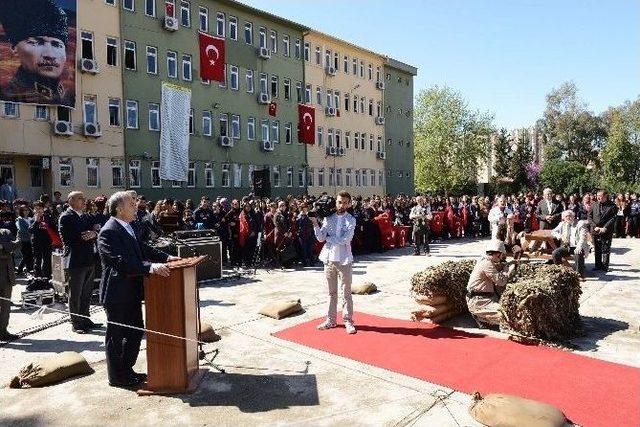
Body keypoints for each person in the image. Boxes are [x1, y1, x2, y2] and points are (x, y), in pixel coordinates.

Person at [97, 191, 179, 388]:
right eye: (131, 204)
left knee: (134, 332)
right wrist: (149, 267)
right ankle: (117, 377)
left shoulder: (128, 226)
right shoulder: (108, 231)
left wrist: (166, 258)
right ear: (119, 209)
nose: (136, 206)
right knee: (117, 336)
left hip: (131, 290)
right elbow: (119, 262)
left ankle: (127, 370)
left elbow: (141, 249)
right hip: (117, 293)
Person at [0, 0, 73, 106]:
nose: (49, 55)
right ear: (14, 48)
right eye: (37, 43)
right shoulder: (9, 96)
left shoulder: (67, 97)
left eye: (56, 45)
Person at [312, 192, 357, 334]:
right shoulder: (328, 218)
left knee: (346, 292)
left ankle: (348, 321)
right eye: (339, 202)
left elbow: (346, 239)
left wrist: (329, 238)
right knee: (332, 293)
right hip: (329, 259)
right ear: (335, 202)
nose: (341, 205)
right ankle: (331, 320)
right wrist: (315, 224)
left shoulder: (351, 220)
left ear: (349, 203)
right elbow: (320, 238)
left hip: (344, 259)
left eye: (344, 202)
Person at [58, 191, 101, 333]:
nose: (84, 201)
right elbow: (69, 239)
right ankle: (76, 322)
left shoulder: (85, 216)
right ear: (71, 201)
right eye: (80, 199)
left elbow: (95, 231)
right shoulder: (66, 217)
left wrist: (93, 234)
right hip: (75, 261)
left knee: (87, 293)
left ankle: (85, 318)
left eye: (84, 198)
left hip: (88, 259)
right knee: (75, 293)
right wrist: (88, 235)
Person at [466, 240, 517, 328]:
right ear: (498, 254)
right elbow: (501, 282)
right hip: (480, 301)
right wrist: (508, 271)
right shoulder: (487, 264)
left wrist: (505, 266)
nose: (502, 258)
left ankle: (485, 318)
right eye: (501, 255)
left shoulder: (485, 261)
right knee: (508, 316)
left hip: (485, 298)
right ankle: (482, 318)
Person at [550, 211, 590, 280]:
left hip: (578, 246)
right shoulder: (562, 224)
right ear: (563, 218)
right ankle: (561, 271)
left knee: (578, 253)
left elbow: (583, 237)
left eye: (570, 216)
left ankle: (579, 275)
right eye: (566, 216)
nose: (568, 218)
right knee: (555, 253)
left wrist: (579, 247)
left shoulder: (580, 223)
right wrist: (560, 236)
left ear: (573, 217)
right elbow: (553, 231)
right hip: (567, 246)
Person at [588, 190, 616, 272]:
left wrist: (605, 227)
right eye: (597, 196)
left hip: (606, 230)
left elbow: (613, 218)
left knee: (606, 248)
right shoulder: (594, 204)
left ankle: (605, 266)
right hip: (595, 230)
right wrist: (594, 226)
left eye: (600, 196)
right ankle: (597, 265)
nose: (598, 197)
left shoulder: (612, 206)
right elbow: (589, 217)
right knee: (597, 248)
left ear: (605, 196)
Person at [0, 227, 21, 341]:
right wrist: (7, 247)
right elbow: (11, 246)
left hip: (7, 275)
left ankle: (3, 332)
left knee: (5, 307)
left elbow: (18, 244)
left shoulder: (5, 232)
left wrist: (3, 247)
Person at [15, 205, 34, 275]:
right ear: (21, 211)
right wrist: (31, 232)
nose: (26, 212)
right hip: (22, 240)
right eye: (24, 210)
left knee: (30, 255)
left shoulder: (31, 219)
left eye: (27, 210)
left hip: (30, 241)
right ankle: (25, 269)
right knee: (26, 255)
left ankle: (24, 270)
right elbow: (22, 230)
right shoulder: (19, 219)